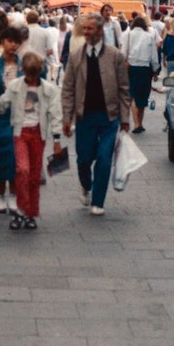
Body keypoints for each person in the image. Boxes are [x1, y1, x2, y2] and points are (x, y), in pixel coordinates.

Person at [61, 13, 131, 216]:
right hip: (85, 116)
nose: (86, 32)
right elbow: (68, 89)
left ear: (100, 31)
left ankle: (98, 201)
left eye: (90, 28)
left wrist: (125, 118)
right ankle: (86, 185)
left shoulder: (115, 56)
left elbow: (124, 89)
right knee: (83, 158)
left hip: (109, 116)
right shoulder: (76, 56)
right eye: (84, 28)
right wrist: (67, 117)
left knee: (104, 158)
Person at [0, 52, 63, 231]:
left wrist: (56, 138)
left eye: (34, 75)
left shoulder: (49, 90)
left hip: (38, 134)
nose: (31, 79)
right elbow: (2, 104)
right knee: (22, 170)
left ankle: (31, 213)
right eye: (28, 75)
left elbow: (55, 114)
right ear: (23, 70)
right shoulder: (15, 86)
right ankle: (20, 210)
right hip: (20, 133)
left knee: (34, 175)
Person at [0, 25, 24, 214]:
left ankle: (13, 195)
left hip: (19, 117)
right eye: (10, 41)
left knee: (16, 157)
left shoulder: (23, 65)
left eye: (16, 42)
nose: (13, 45)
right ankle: (1, 194)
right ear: (2, 42)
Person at [123, 15, 159, 134]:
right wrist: (155, 69)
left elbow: (123, 52)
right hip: (145, 69)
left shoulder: (127, 35)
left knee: (133, 95)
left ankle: (136, 123)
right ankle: (140, 123)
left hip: (131, 68)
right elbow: (154, 55)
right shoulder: (149, 36)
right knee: (143, 96)